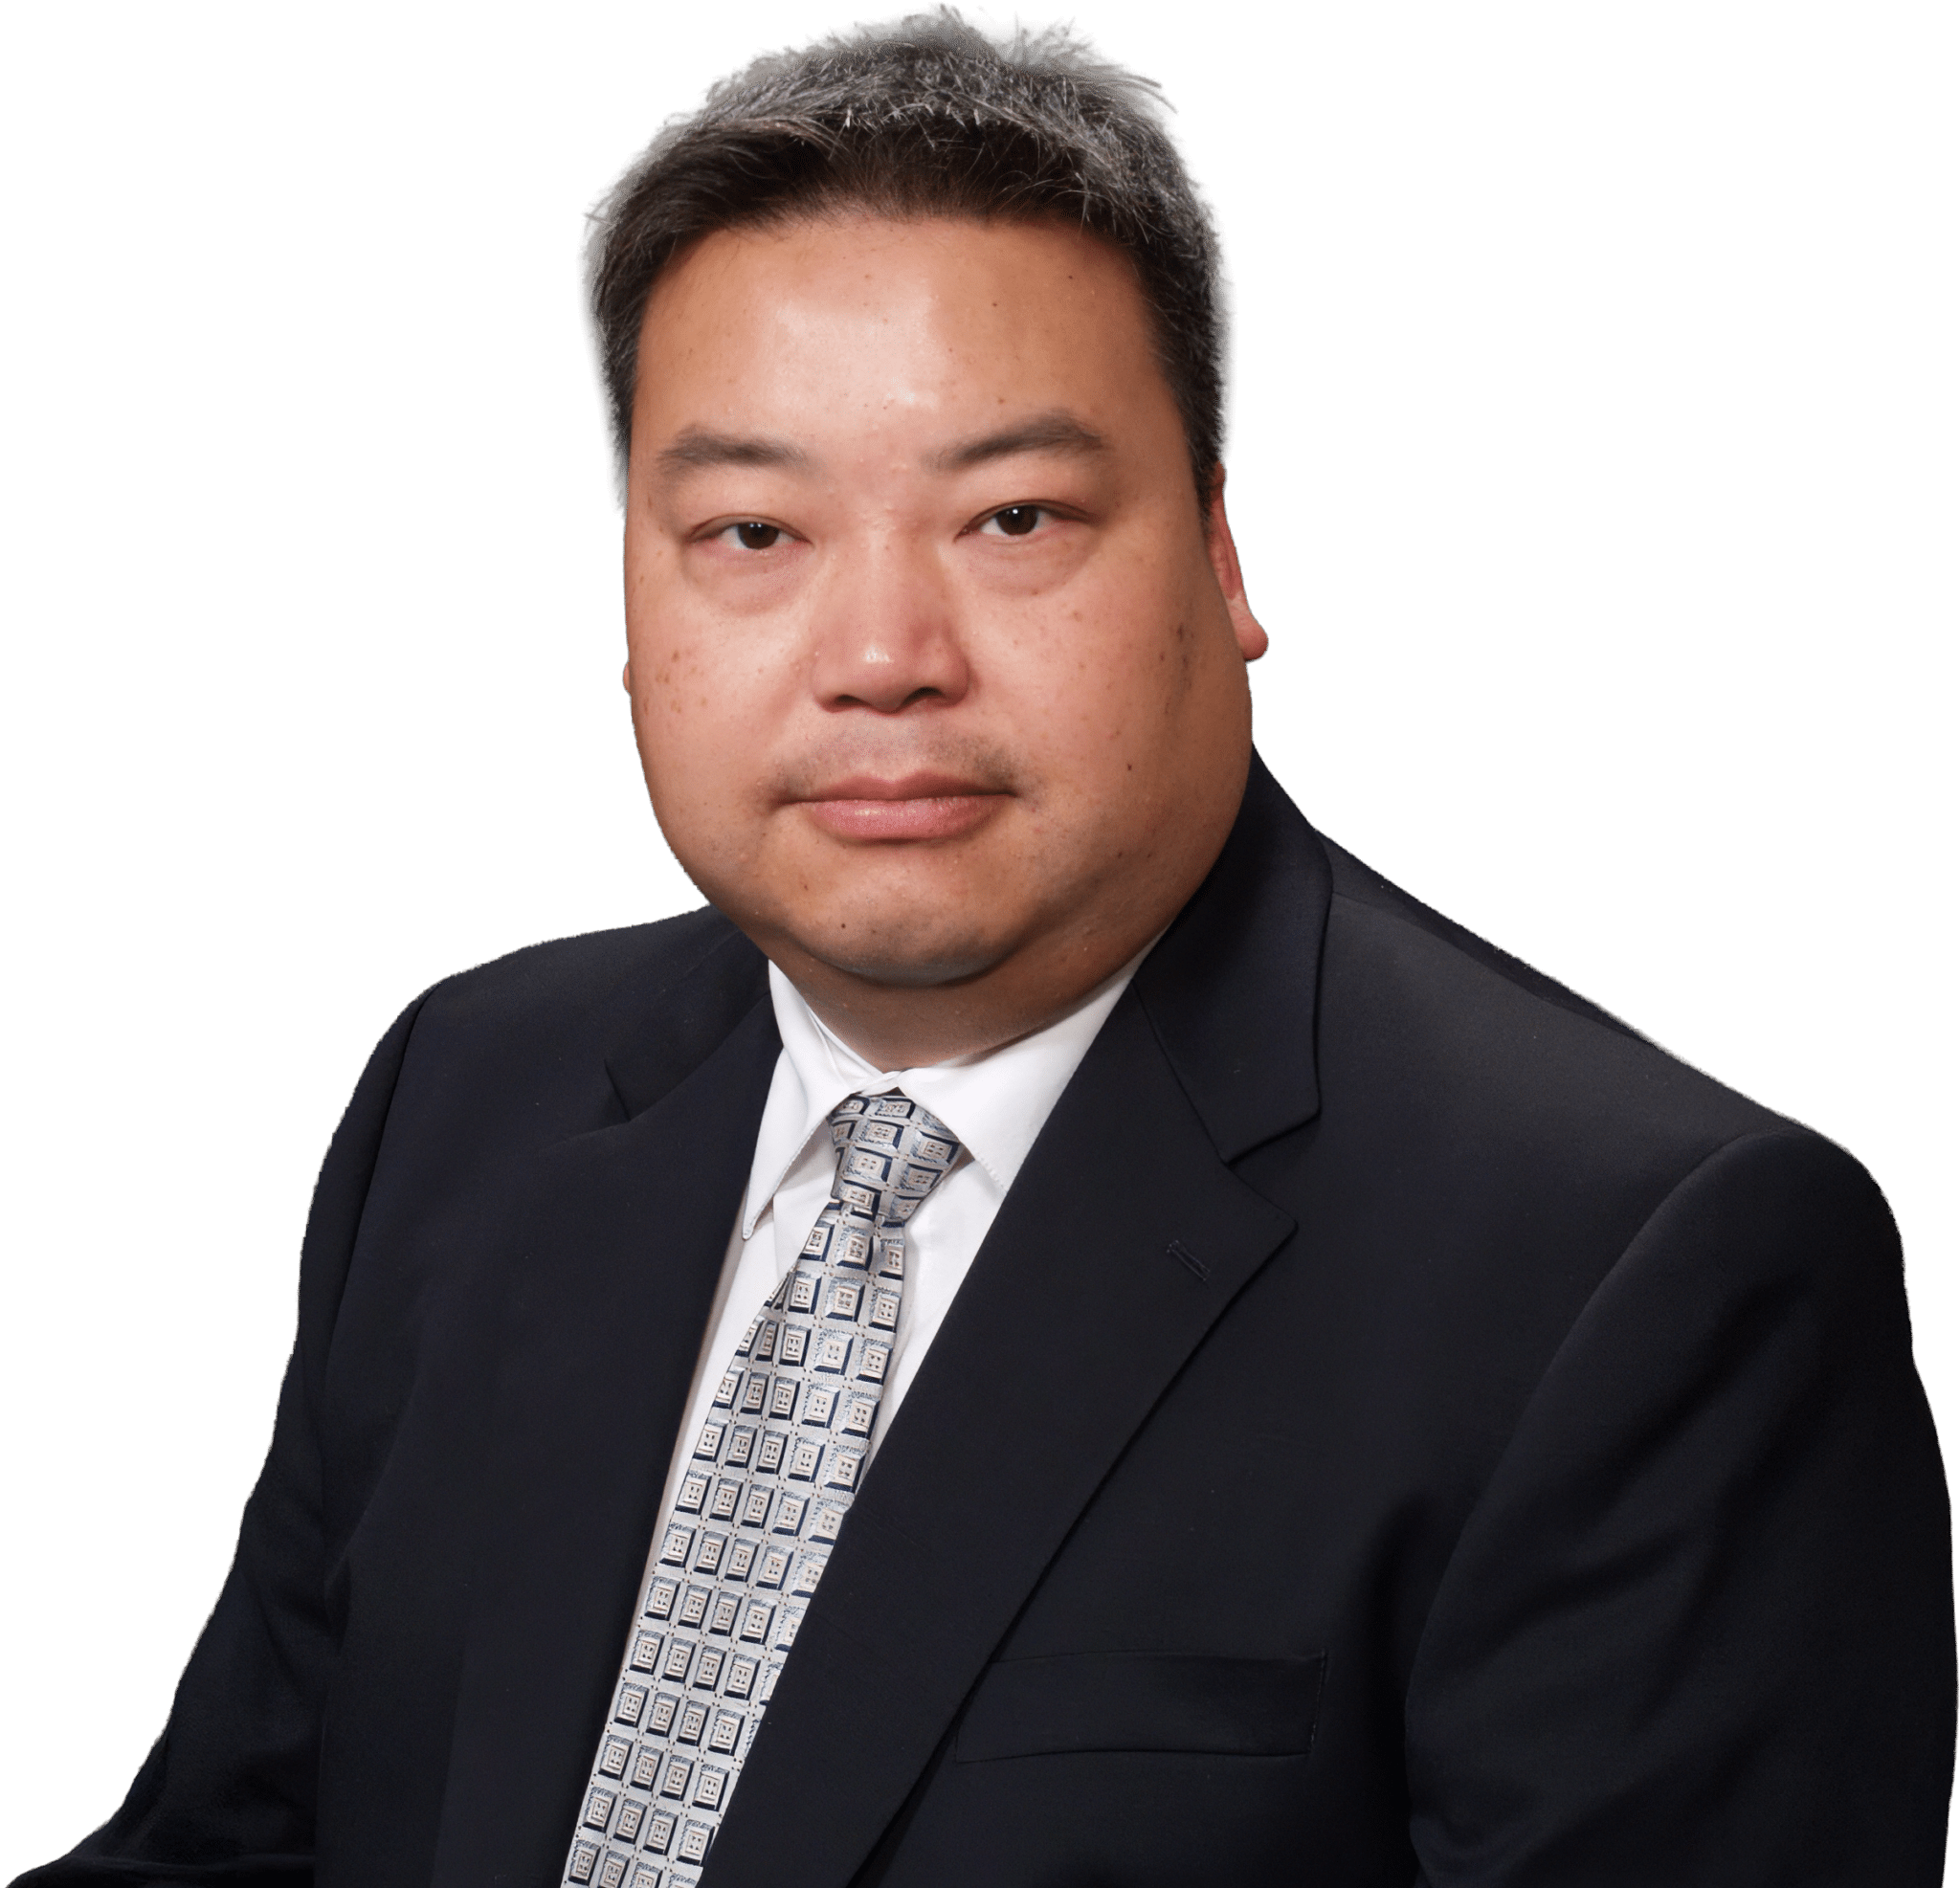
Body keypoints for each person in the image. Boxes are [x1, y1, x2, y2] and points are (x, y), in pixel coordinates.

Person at [13, 9, 1952, 1886]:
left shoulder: (1644, 1273)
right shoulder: (469, 1095)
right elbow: (233, 1849)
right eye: (751, 534)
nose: (882, 659)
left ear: (1220, 550)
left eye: (1014, 516)